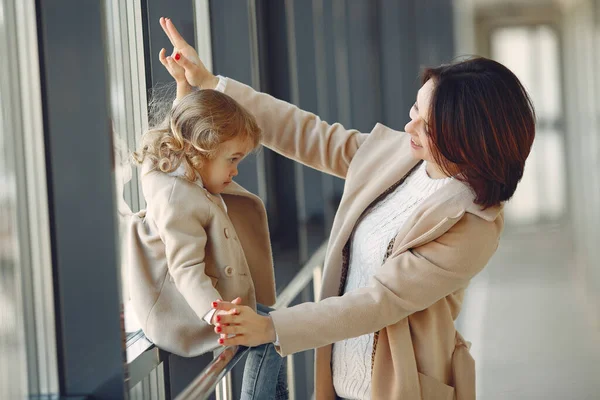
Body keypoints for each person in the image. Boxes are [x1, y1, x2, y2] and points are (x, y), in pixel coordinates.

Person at [159, 17, 535, 400]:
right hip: (339, 379)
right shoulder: (402, 156)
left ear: (465, 141)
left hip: (398, 388)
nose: (409, 128)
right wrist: (211, 84)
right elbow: (308, 134)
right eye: (414, 109)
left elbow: (379, 301)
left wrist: (272, 328)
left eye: (427, 126)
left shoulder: (473, 225)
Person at [126, 48, 288, 400]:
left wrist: (183, 84)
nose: (235, 170)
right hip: (183, 308)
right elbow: (185, 268)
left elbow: (180, 124)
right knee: (269, 334)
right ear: (202, 151)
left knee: (277, 328)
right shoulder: (178, 199)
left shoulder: (173, 166)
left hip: (202, 301)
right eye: (232, 159)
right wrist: (214, 314)